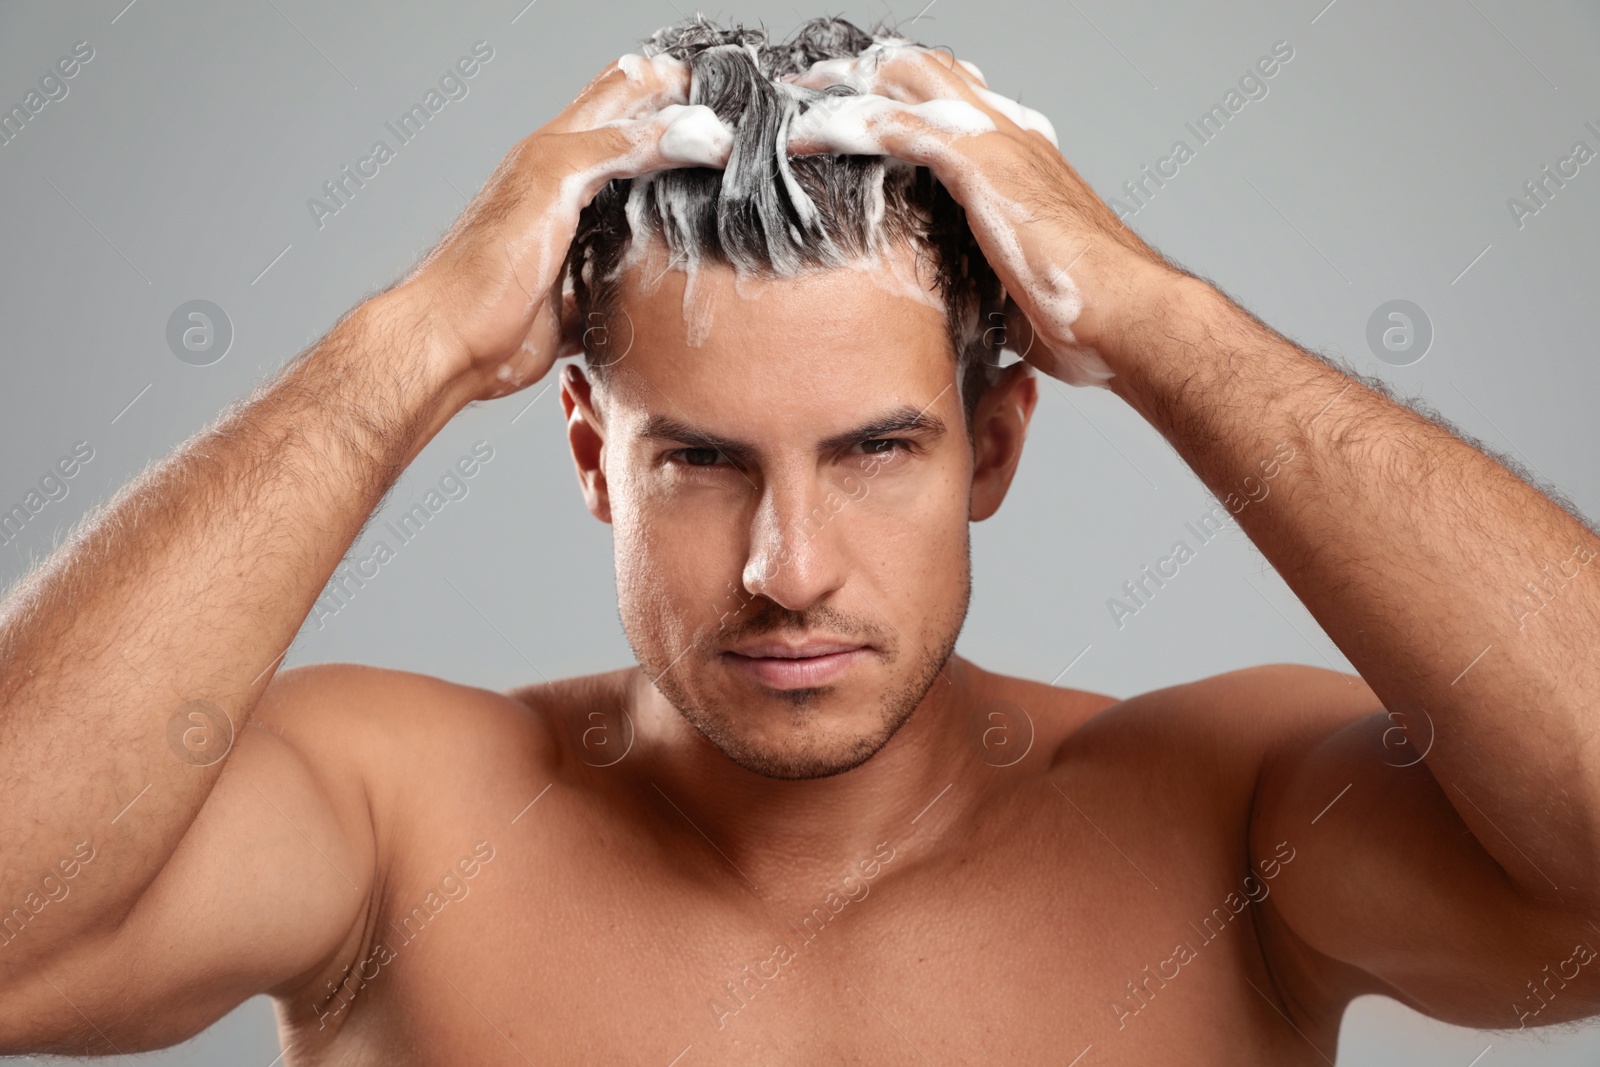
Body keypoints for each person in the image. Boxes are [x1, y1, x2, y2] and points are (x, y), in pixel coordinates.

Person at [2, 15, 1596, 1064]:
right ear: (591, 459)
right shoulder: (397, 826)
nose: (788, 569)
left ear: (995, 441)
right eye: (698, 459)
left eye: (874, 452)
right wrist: (399, 350)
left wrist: (1164, 323)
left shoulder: (1234, 829)